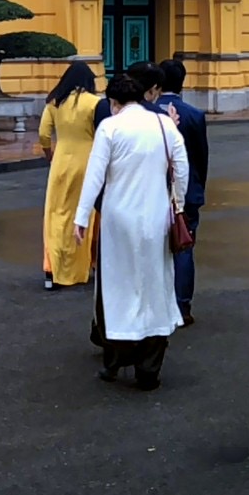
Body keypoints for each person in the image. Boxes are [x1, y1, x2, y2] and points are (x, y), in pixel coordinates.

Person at [81, 58, 194, 386]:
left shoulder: (111, 127)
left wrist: (82, 215)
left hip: (118, 217)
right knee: (153, 283)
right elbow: (181, 168)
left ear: (115, 102)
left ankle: (114, 361)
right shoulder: (164, 124)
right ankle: (149, 368)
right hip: (156, 215)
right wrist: (180, 204)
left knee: (117, 287)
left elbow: (95, 176)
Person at [32, 55, 107, 290]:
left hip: (61, 162)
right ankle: (82, 267)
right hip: (88, 162)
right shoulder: (95, 103)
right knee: (84, 215)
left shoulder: (54, 102)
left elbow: (44, 134)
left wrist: (49, 154)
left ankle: (52, 268)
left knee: (56, 214)